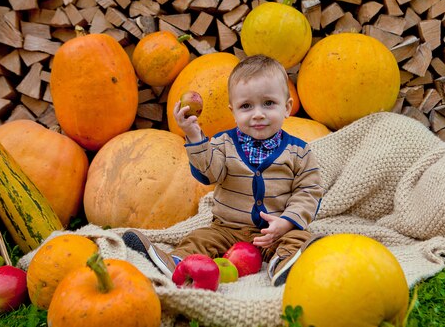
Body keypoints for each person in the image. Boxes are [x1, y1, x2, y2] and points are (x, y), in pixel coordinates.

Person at [123, 54, 324, 286]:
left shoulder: (299, 151)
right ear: (233, 111)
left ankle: (284, 264)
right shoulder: (223, 144)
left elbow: (309, 191)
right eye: (246, 106)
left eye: (268, 103)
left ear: (287, 107)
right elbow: (210, 173)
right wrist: (194, 136)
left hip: (275, 230)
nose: (258, 113)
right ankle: (175, 263)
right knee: (200, 238)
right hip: (227, 228)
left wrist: (287, 222)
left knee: (299, 238)